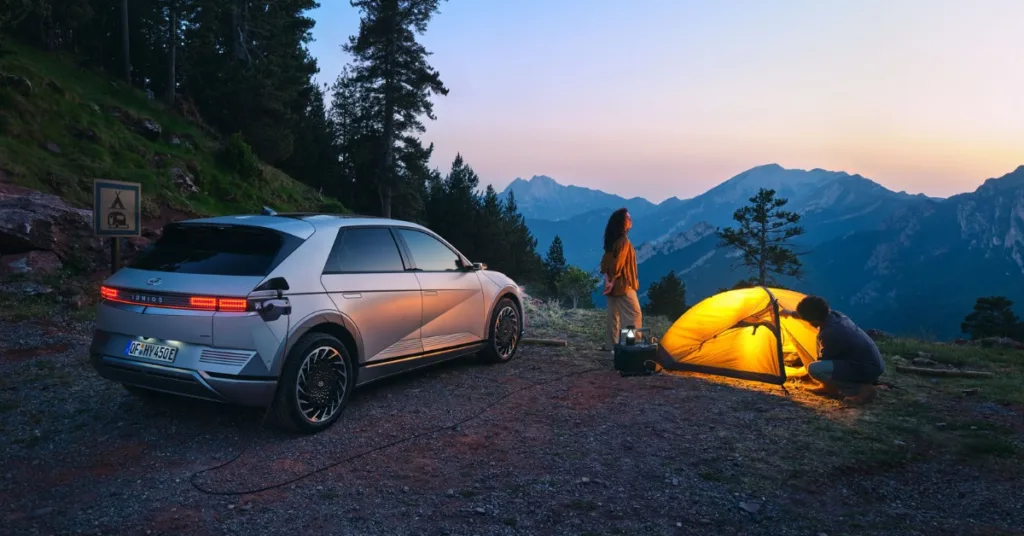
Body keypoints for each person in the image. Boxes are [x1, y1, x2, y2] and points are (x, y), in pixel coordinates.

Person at [793, 295, 885, 404]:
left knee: (815, 369)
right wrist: (788, 313)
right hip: (873, 364)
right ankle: (828, 387)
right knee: (819, 343)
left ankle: (861, 389)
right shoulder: (835, 316)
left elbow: (825, 359)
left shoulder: (830, 333)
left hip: (866, 368)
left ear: (814, 321)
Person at [600, 208, 642, 352]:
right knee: (633, 315)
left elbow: (605, 262)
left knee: (613, 318)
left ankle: (611, 347)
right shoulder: (623, 241)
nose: (631, 220)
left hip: (612, 288)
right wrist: (612, 281)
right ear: (621, 222)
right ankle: (632, 347)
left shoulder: (611, 240)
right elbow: (618, 264)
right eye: (628, 218)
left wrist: (608, 281)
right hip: (624, 285)